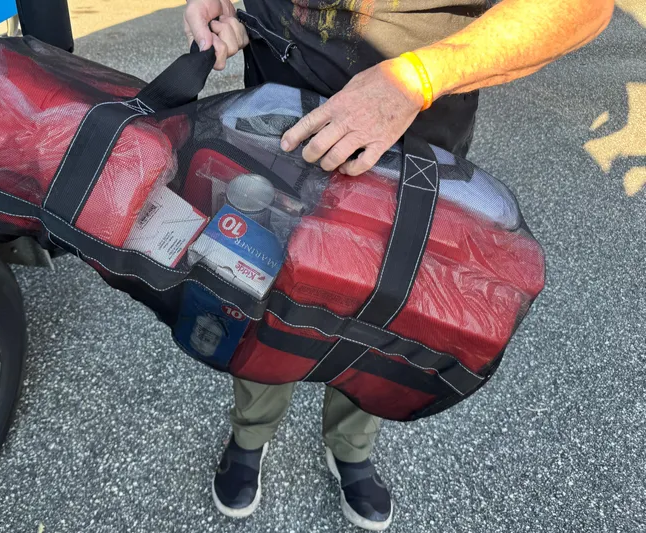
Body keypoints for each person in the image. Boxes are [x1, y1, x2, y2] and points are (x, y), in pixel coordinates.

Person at [182, 0, 614, 529]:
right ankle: (250, 434)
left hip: (412, 140)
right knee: (262, 290)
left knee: (376, 308)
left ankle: (351, 445)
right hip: (274, 117)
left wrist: (419, 76)